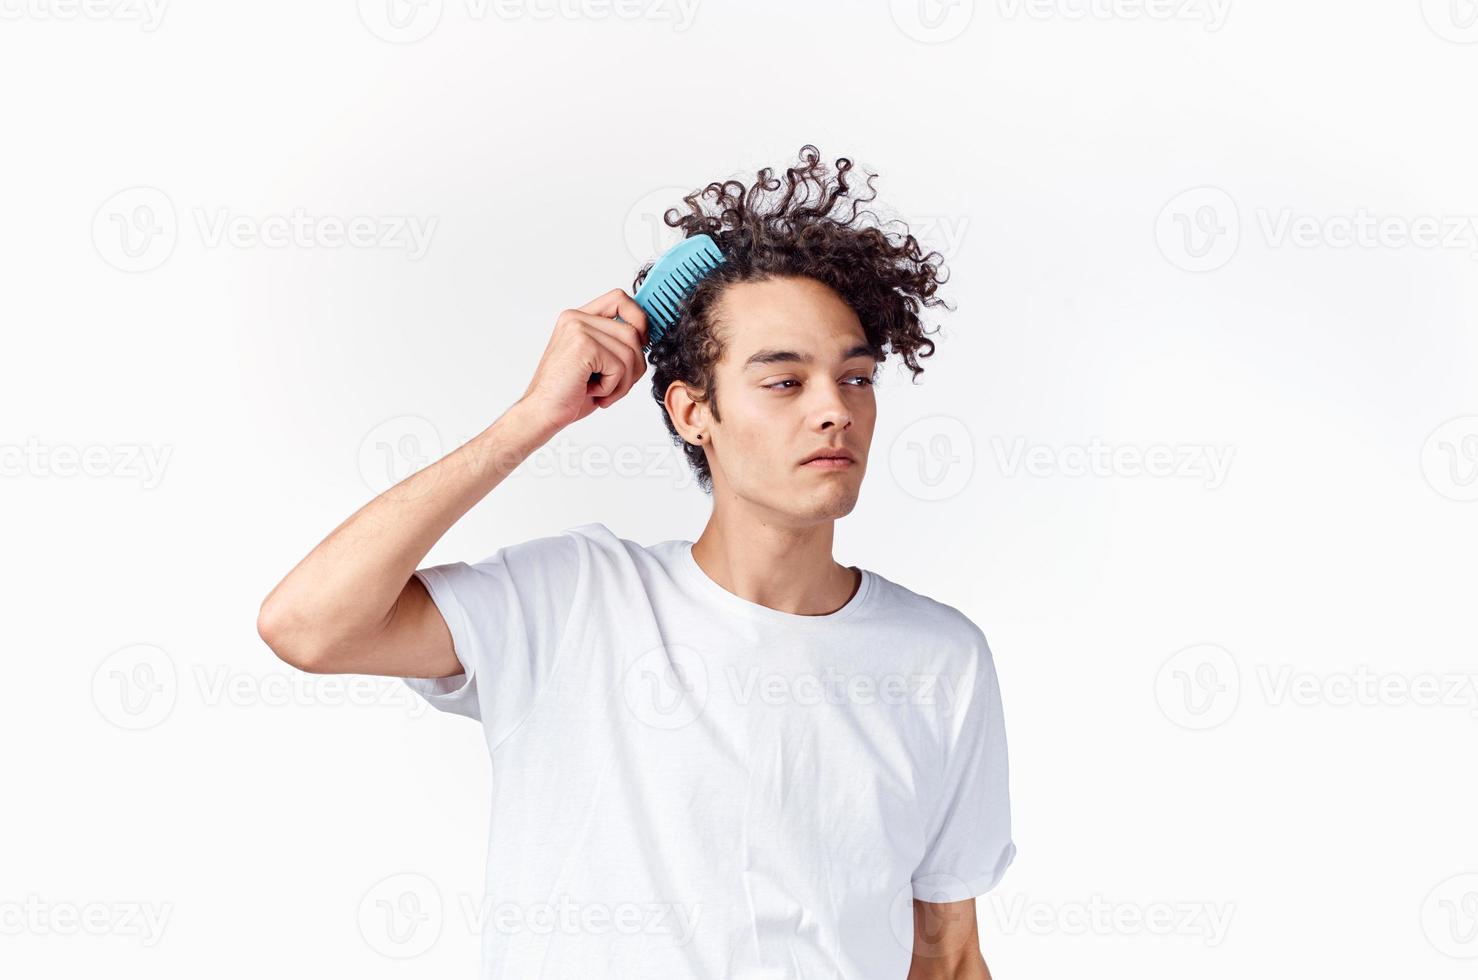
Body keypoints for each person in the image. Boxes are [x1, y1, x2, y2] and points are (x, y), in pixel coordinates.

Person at [257, 145, 1016, 979]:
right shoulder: (572, 600)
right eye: (784, 383)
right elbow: (307, 626)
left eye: (857, 377)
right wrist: (531, 420)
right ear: (694, 412)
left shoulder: (941, 658)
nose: (835, 411)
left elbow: (947, 960)